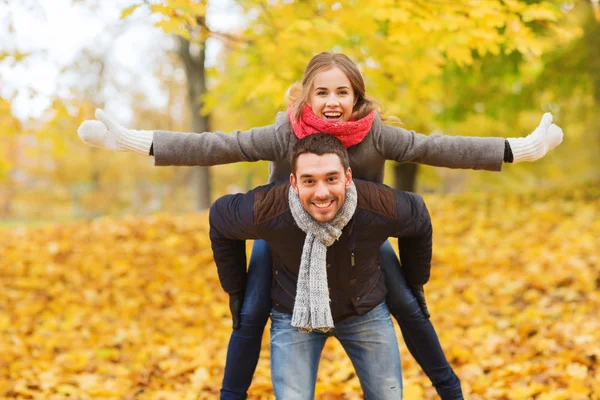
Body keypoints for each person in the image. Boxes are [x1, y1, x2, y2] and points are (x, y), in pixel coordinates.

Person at [77, 52, 563, 399]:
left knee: (412, 309)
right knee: (249, 317)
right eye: (322, 91)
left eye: (343, 92)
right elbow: (216, 145)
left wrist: (514, 149)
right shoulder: (283, 133)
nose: (332, 101)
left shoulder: (377, 136)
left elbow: (437, 147)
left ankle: (449, 391)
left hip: (359, 238)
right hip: (288, 234)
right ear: (307, 96)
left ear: (357, 97)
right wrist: (134, 142)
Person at [210, 133, 435, 399]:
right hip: (294, 314)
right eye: (309, 181)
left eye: (331, 178)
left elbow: (419, 217)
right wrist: (235, 288)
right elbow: (220, 217)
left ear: (348, 177)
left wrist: (416, 280)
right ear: (293, 182)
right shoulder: (268, 208)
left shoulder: (378, 204)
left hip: (365, 311)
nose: (322, 192)